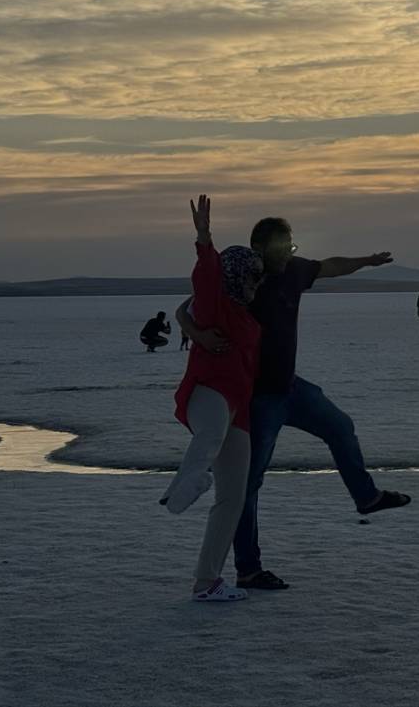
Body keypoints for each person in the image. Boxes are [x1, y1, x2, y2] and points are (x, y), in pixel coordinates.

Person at [176, 213, 411, 591]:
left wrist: (366, 260)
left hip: (290, 388)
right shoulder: (238, 281)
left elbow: (330, 265)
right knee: (248, 485)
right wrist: (198, 335)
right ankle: (248, 569)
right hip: (256, 399)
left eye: (291, 247)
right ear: (260, 249)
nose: (288, 254)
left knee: (340, 426)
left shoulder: (294, 272)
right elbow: (186, 308)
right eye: (282, 248)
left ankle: (366, 497)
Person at [161, 194, 264, 602]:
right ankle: (185, 485)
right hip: (208, 392)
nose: (257, 283)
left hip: (240, 406)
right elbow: (204, 280)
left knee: (234, 495)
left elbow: (182, 310)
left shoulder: (247, 314)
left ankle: (207, 582)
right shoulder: (214, 304)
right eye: (251, 276)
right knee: (210, 435)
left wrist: (188, 324)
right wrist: (204, 239)